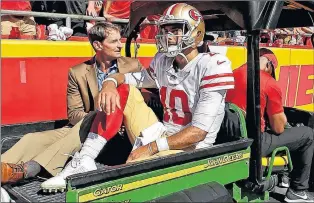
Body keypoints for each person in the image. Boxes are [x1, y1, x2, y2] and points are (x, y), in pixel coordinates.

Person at [41, 3, 235, 191]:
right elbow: (133, 79)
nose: (168, 36)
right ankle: (84, 159)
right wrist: (110, 81)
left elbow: (197, 133)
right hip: (163, 135)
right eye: (165, 30)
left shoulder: (213, 65)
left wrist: (151, 148)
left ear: (196, 33)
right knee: (125, 90)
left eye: (175, 30)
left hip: (192, 150)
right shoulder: (163, 60)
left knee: (129, 177)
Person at [1, 22, 142, 185]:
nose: (120, 46)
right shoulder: (78, 72)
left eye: (120, 40)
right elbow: (74, 114)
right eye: (114, 41)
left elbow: (148, 100)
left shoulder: (133, 65)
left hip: (117, 132)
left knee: (89, 122)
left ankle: (28, 169)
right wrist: (96, 117)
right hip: (82, 127)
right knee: (32, 138)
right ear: (97, 45)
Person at [225, 48, 314, 202]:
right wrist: (284, 120)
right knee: (307, 134)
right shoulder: (268, 82)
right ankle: (298, 190)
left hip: (230, 136)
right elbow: (278, 128)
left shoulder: (232, 73)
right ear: (269, 65)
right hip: (255, 142)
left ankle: (284, 178)